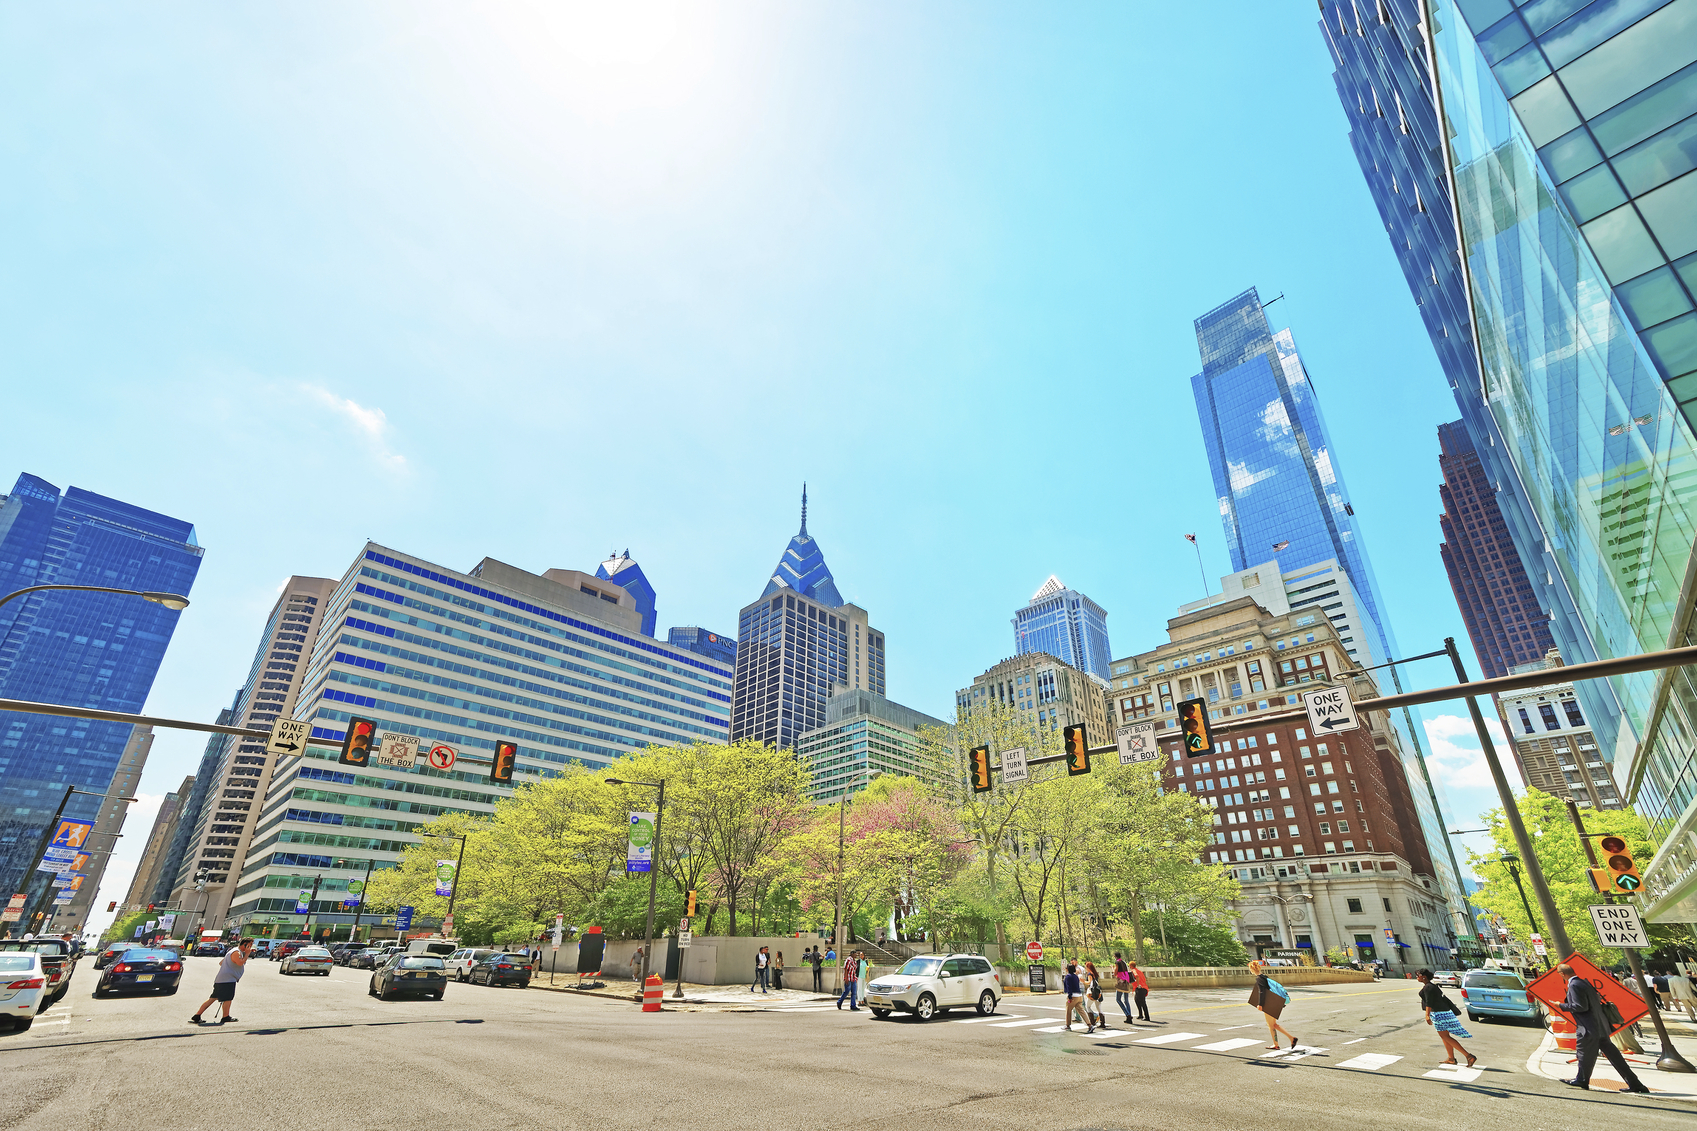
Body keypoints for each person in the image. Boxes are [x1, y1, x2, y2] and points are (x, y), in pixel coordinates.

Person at [1559, 962, 1649, 1091]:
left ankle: (1581, 1080)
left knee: (1584, 1055)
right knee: (1615, 1057)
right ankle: (1635, 1084)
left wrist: (1560, 1005)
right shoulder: (1585, 983)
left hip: (1587, 1028)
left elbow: (1580, 1006)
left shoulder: (1574, 985)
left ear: (1562, 974)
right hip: (1600, 1026)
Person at [1416, 968, 1476, 1067]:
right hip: (1443, 1013)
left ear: (1424, 977)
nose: (1416, 977)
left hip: (1439, 1014)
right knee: (1445, 1037)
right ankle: (1451, 1058)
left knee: (1445, 1036)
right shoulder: (1431, 986)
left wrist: (1427, 1015)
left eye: (1417, 975)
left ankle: (1469, 1056)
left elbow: (1429, 1002)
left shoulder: (1428, 987)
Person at [191, 936, 253, 1025]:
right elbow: (240, 962)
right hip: (227, 980)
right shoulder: (236, 952)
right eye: (249, 945)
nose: (250, 948)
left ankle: (197, 1015)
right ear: (245, 944)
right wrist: (247, 954)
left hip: (223, 979)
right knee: (228, 998)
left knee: (213, 998)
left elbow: (221, 963)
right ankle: (225, 1016)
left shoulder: (232, 951)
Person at [1248, 960, 1297, 1050]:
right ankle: (1277, 1044)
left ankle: (1290, 1038)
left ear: (1251, 969)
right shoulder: (1265, 977)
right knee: (1273, 1025)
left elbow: (1262, 992)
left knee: (1271, 1025)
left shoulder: (1259, 979)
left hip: (1268, 1004)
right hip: (1274, 1003)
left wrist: (1260, 1004)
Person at [1082, 961, 1107, 1032]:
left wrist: (1083, 981)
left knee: (1087, 1006)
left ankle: (1092, 1022)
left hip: (1092, 992)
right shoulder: (1095, 974)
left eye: (1086, 967)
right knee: (1099, 1008)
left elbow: (1089, 982)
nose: (1085, 968)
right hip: (1098, 992)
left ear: (1088, 967)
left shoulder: (1090, 974)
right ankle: (1102, 1023)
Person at [1062, 962, 1085, 1031]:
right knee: (1081, 1010)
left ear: (1068, 969)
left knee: (1068, 1010)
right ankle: (1089, 1025)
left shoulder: (1068, 976)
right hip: (1079, 995)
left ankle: (1068, 1025)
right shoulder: (1075, 976)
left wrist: (1069, 996)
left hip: (1073, 996)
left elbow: (1069, 987)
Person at [1112, 953, 1133, 1024]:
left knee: (1118, 999)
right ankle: (1129, 1016)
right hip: (1126, 981)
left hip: (1121, 982)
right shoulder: (1124, 962)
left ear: (1115, 957)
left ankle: (1128, 1014)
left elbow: (1115, 973)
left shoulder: (1117, 962)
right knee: (1126, 1000)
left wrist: (1112, 968)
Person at [1128, 958, 1151, 1022]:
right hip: (1144, 988)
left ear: (1131, 966)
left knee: (1143, 1003)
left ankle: (1147, 1017)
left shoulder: (1134, 970)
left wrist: (1138, 985)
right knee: (1137, 1000)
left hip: (1140, 988)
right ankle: (1140, 1014)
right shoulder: (1139, 971)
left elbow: (1136, 976)